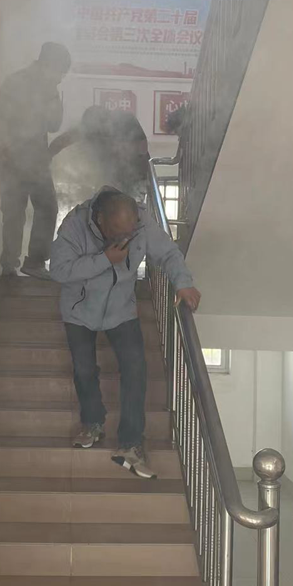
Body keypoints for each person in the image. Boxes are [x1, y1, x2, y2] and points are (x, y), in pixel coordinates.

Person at [50, 187, 201, 478]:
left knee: (135, 368)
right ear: (100, 220)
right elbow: (58, 270)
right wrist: (105, 259)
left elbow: (168, 253)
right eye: (118, 232)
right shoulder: (74, 225)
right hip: (79, 311)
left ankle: (130, 444)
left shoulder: (141, 223)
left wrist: (183, 282)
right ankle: (92, 423)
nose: (126, 239)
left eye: (130, 232)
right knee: (84, 369)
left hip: (121, 309)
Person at [0, 42, 72, 279]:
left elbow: (53, 125)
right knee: (40, 207)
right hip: (21, 155)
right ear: (48, 65)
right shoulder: (24, 84)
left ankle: (12, 264)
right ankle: (31, 262)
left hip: (24, 156)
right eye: (60, 72)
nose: (60, 79)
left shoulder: (18, 82)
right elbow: (51, 124)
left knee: (17, 210)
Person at [50, 106, 150, 201]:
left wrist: (123, 152)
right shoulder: (90, 130)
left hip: (136, 170)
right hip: (113, 173)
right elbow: (63, 140)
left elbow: (142, 146)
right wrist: (47, 157)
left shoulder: (124, 121)